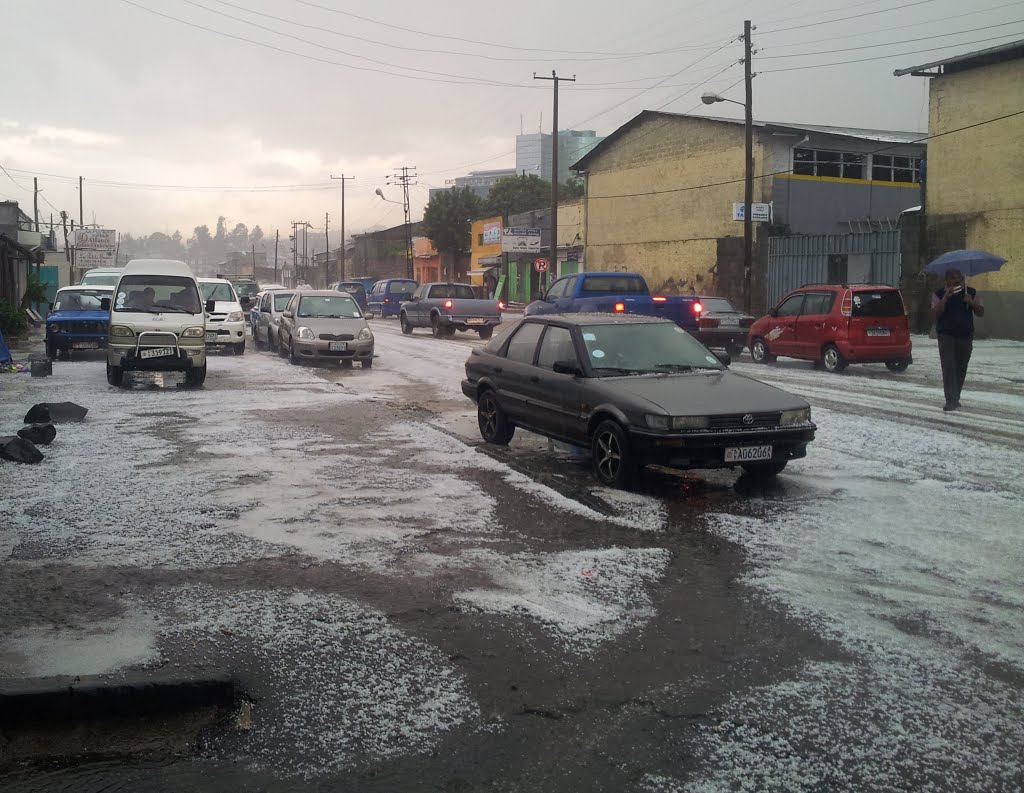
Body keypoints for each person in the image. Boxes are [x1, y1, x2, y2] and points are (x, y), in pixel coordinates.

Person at [932, 268, 984, 411]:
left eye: (959, 277)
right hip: (946, 335)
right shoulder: (938, 293)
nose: (957, 280)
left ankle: (956, 397)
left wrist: (972, 302)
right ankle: (950, 400)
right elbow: (935, 313)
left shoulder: (971, 292)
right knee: (949, 367)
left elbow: (981, 312)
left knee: (961, 367)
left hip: (965, 335)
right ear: (947, 280)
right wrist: (945, 298)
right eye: (953, 277)